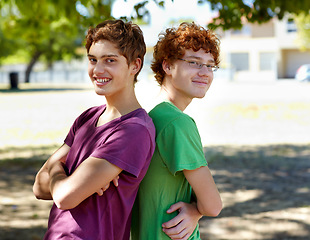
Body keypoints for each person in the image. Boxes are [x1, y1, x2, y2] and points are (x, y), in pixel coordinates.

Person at [33, 19, 155, 240]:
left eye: (110, 60)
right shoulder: (88, 118)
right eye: (93, 59)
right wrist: (63, 176)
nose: (98, 70)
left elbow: (64, 197)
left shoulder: (134, 130)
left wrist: (58, 170)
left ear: (135, 66)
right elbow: (39, 186)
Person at [131, 22, 222, 240]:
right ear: (168, 66)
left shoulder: (150, 116)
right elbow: (213, 205)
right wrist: (198, 210)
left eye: (210, 66)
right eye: (194, 62)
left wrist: (194, 210)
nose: (205, 73)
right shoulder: (177, 123)